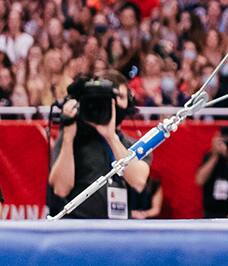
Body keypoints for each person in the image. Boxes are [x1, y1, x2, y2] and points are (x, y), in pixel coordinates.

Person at [48, 72, 151, 220]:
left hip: (118, 231)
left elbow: (138, 181)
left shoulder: (132, 145)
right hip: (77, 228)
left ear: (129, 102)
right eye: (108, 98)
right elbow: (60, 189)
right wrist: (68, 137)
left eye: (119, 97)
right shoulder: (72, 137)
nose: (113, 103)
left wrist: (111, 137)